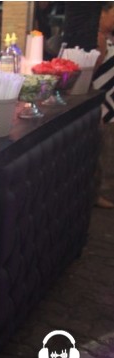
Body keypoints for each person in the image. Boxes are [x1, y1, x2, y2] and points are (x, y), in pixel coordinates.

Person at [92, 2, 114, 209]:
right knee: (106, 154)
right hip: (105, 106)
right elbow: (91, 76)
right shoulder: (98, 38)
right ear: (103, 13)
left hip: (110, 104)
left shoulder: (108, 37)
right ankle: (100, 195)